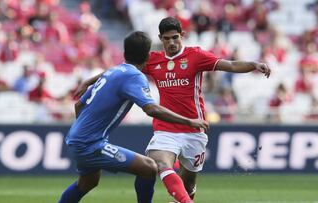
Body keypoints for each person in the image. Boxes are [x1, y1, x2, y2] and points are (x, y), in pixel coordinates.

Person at [76, 17, 271, 203]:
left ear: (182, 35)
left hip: (195, 130)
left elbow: (229, 64)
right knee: (160, 162)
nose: (171, 42)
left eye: (175, 37)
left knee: (189, 185)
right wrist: (90, 80)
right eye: (167, 38)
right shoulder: (152, 60)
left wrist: (253, 64)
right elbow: (121, 70)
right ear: (160, 39)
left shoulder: (196, 55)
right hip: (166, 129)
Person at [58, 31, 209, 203]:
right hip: (89, 144)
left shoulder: (114, 71)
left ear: (124, 53)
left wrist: (85, 131)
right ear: (147, 56)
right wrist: (189, 120)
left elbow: (79, 105)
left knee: (87, 183)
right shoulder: (134, 76)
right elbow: (151, 109)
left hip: (78, 138)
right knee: (148, 167)